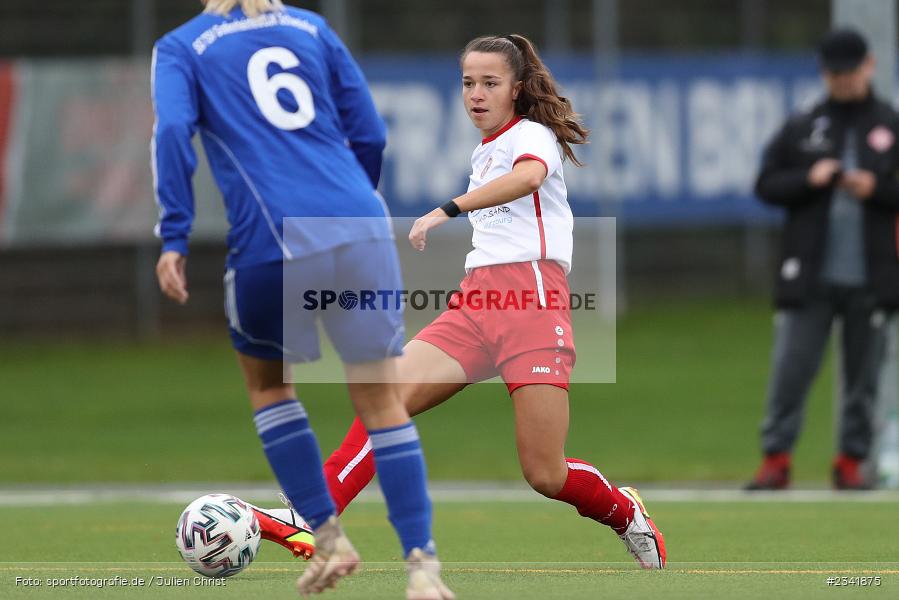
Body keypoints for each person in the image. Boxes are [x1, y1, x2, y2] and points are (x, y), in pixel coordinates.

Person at [259, 33, 666, 569]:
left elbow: (529, 177)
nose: (476, 93)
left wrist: (446, 209)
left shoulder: (533, 135)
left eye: (490, 83)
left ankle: (623, 509)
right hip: (476, 304)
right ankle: (310, 517)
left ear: (517, 89)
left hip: (533, 306)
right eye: (468, 83)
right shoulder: (485, 150)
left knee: (545, 473)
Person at [151, 1, 453, 598]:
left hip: (273, 235)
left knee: (269, 386)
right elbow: (370, 131)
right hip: (360, 224)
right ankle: (423, 569)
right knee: (380, 400)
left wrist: (174, 235)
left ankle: (329, 539)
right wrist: (349, 206)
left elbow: (171, 132)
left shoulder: (182, 47)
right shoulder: (312, 26)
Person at [747, 28, 899, 491]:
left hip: (873, 274)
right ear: (824, 73)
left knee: (864, 377)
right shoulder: (805, 123)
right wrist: (810, 178)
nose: (843, 81)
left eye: (850, 72)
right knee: (791, 368)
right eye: (835, 73)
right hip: (809, 273)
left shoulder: (890, 124)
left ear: (868, 67)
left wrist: (876, 190)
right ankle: (776, 457)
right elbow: (767, 184)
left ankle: (851, 461)